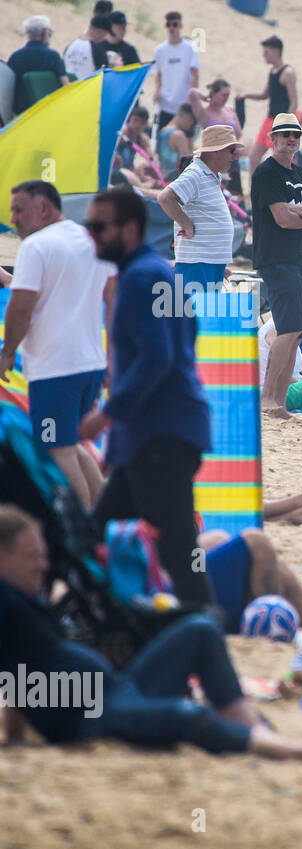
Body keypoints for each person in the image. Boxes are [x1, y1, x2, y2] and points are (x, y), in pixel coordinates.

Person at [0, 505, 302, 759]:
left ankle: (244, 719)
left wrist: (15, 732)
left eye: (43, 555)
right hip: (91, 717)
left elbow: (19, 671)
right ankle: (287, 749)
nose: (43, 565)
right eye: (32, 557)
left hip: (119, 688)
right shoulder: (8, 604)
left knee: (200, 627)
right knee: (188, 716)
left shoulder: (25, 600)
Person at [78, 188, 214, 607]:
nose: (91, 235)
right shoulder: (162, 271)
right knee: (95, 537)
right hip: (159, 435)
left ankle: (204, 626)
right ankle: (85, 620)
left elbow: (158, 356)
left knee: (179, 548)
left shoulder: (139, 277)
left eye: (100, 227)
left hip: (160, 436)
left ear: (131, 229)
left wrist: (104, 418)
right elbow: (186, 337)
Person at [1, 181, 116, 509]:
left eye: (19, 210)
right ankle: (100, 519)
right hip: (89, 365)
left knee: (58, 449)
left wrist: (8, 353)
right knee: (73, 444)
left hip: (56, 369)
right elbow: (113, 299)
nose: (14, 219)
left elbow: (20, 306)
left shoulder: (36, 246)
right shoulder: (92, 241)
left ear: (44, 208)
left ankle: (80, 527)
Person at [251, 112, 302, 418]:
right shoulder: (266, 173)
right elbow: (282, 220)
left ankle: (278, 400)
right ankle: (268, 399)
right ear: (273, 139)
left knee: (297, 332)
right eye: (285, 135)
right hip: (275, 258)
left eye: (295, 135)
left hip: (299, 259)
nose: (291, 139)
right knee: (286, 329)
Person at [199, 524, 302, 636]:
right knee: (257, 542)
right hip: (185, 593)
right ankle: (272, 625)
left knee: (219, 539)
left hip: (188, 568)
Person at [158, 124, 243, 300]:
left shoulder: (209, 175)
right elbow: (165, 197)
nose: (234, 156)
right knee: (197, 319)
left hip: (207, 262)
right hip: (198, 263)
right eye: (231, 150)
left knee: (204, 319)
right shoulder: (196, 173)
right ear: (216, 151)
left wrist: (218, 261)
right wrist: (186, 224)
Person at [238, 36, 297, 170]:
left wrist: (288, 127)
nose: (264, 55)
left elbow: (294, 102)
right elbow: (265, 95)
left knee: (279, 159)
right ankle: (255, 189)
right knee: (254, 157)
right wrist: (246, 95)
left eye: (266, 52)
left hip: (281, 122)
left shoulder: (288, 73)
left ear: (276, 51)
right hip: (269, 119)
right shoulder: (272, 71)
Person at [8, 17, 68, 115]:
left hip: (21, 114)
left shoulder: (15, 57)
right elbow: (65, 84)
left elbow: (8, 88)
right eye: (50, 32)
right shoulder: (53, 56)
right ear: (44, 33)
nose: (51, 35)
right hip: (47, 111)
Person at [152, 12, 200, 130]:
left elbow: (195, 75)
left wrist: (191, 99)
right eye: (169, 25)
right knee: (163, 137)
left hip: (184, 103)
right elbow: (158, 74)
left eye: (175, 24)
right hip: (166, 103)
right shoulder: (160, 50)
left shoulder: (190, 48)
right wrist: (157, 91)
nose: (172, 28)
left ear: (180, 25)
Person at [114, 106, 165, 189]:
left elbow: (152, 160)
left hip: (129, 170)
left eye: (141, 123)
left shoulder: (141, 138)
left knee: (145, 169)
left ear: (145, 124)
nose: (137, 125)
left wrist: (152, 166)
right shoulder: (124, 132)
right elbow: (110, 153)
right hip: (117, 172)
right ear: (130, 119)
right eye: (135, 120)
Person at [63, 13, 113, 81]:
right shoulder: (97, 50)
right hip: (87, 89)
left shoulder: (70, 46)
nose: (105, 38)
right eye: (105, 34)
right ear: (100, 32)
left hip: (69, 89)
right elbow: (104, 76)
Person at [156, 104, 198, 181]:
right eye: (191, 119)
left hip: (161, 177)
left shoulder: (162, 131)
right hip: (173, 180)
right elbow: (187, 165)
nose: (192, 123)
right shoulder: (179, 135)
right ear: (181, 114)